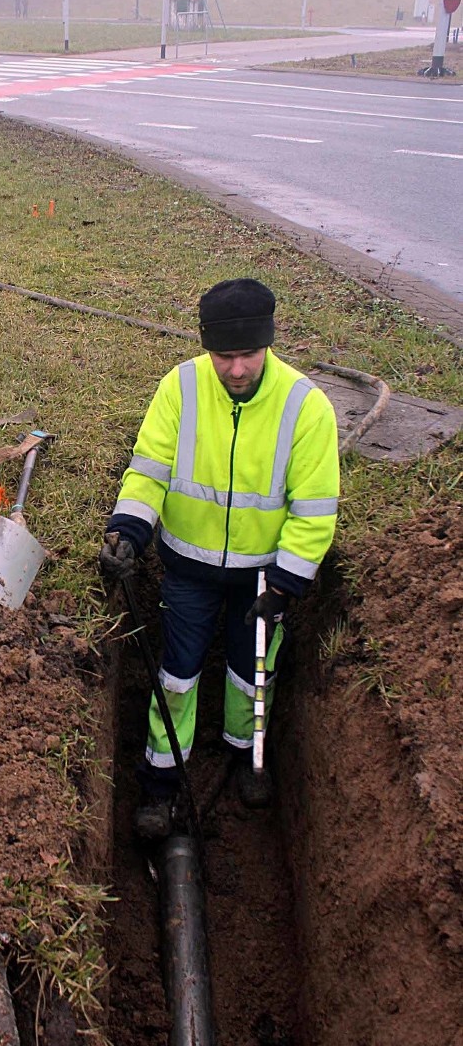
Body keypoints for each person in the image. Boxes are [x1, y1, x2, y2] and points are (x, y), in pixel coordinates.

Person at [99, 279, 340, 840]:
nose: (236, 369)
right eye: (224, 356)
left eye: (247, 355)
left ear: (269, 344)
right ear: (207, 348)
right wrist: (129, 530)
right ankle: (160, 780)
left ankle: (242, 754)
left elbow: (314, 510)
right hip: (187, 568)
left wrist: (285, 585)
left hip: (263, 576)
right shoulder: (180, 388)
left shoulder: (306, 408)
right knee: (178, 675)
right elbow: (149, 470)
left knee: (251, 671)